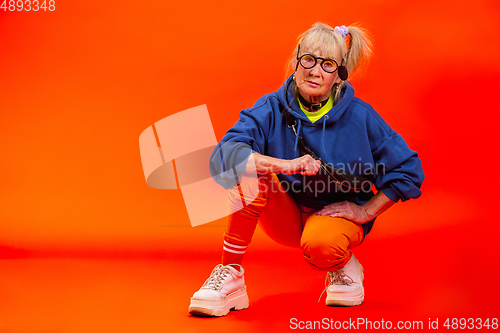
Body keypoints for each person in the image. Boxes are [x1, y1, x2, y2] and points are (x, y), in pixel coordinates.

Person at [188, 22, 424, 316]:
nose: (315, 71)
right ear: (296, 61)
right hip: (285, 215)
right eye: (309, 60)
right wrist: (285, 165)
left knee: (323, 246)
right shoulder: (271, 107)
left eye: (327, 65)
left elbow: (408, 169)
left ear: (339, 74)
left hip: (331, 220)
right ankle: (230, 274)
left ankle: (343, 265)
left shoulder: (361, 116)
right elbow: (224, 155)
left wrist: (366, 211)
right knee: (247, 169)